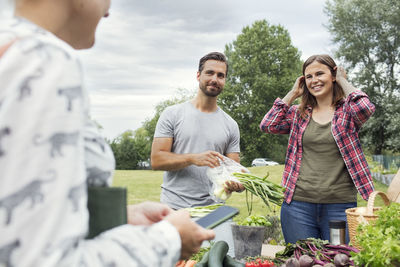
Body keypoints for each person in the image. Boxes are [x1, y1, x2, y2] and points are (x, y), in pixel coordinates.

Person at [0, 0, 214, 266]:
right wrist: (168, 239)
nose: (109, 9)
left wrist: (120, 217)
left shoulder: (11, 46)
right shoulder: (45, 60)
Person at [259, 54, 375, 244]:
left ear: (333, 75)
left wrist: (343, 80)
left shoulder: (347, 111)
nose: (315, 80)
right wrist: (292, 94)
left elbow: (365, 107)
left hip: (339, 206)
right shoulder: (299, 113)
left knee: (337, 261)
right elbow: (267, 124)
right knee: (301, 260)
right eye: (309, 77)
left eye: (320, 73)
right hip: (298, 206)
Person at [151, 52, 244, 255]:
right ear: (198, 75)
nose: (215, 79)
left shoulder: (230, 125)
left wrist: (236, 184)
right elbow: (157, 159)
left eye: (221, 75)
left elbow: (233, 170)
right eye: (209, 73)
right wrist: (193, 158)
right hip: (175, 210)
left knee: (222, 261)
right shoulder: (173, 114)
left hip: (214, 212)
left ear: (225, 80)